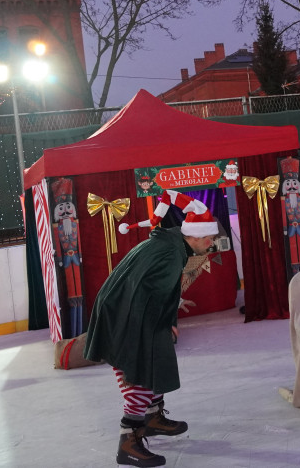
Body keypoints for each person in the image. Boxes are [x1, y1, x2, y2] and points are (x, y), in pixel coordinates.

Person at [84, 191, 219, 467]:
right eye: (209, 238)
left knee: (156, 357)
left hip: (125, 305)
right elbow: (154, 290)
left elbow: (153, 282)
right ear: (193, 236)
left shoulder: (171, 244)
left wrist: (172, 308)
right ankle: (129, 440)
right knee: (141, 368)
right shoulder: (172, 252)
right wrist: (164, 324)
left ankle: (153, 417)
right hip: (125, 312)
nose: (212, 243)